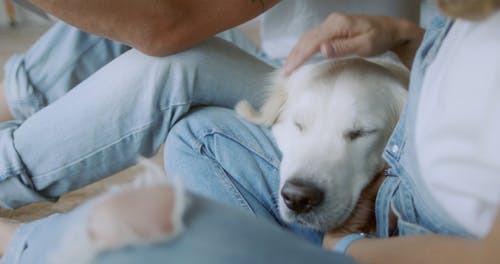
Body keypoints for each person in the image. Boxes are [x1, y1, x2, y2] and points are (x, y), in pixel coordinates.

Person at [3, 0, 499, 263]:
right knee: (194, 130)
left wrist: (346, 248)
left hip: (406, 205)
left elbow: (168, 27)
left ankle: (19, 238)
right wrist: (406, 40)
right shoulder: (474, 21)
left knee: (176, 75)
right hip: (335, 74)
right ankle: (18, 101)